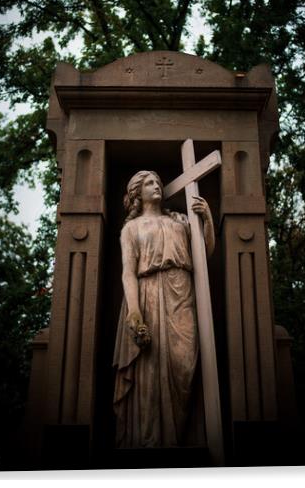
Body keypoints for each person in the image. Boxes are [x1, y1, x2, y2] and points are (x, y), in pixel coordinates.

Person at [112, 170, 215, 448]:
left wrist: (207, 220)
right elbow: (128, 273)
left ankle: (185, 438)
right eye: (148, 183)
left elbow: (203, 256)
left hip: (181, 292)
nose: (155, 185)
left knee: (185, 364)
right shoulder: (131, 229)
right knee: (150, 368)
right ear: (137, 193)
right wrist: (134, 312)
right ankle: (151, 441)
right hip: (147, 294)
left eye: (157, 181)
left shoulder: (180, 221)